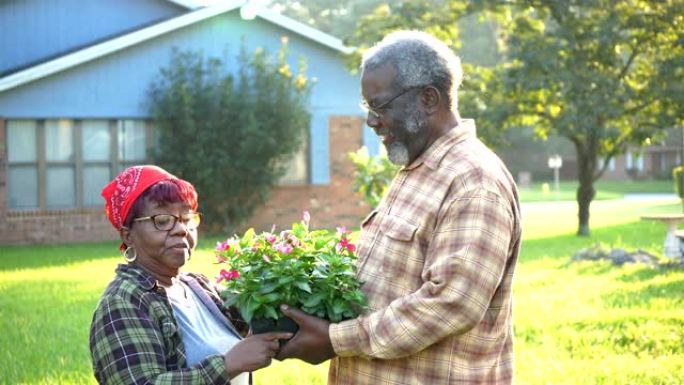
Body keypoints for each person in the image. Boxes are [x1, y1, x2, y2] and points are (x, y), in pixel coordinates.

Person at [276, 31, 522, 384]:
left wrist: (335, 339)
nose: (371, 121)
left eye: (380, 107)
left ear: (428, 99)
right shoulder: (418, 168)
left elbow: (451, 303)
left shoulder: (473, 182)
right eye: (367, 108)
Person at [90, 165, 291, 385]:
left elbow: (268, 316)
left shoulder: (198, 288)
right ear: (128, 236)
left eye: (186, 218)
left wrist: (288, 268)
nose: (181, 229)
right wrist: (227, 365)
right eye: (163, 220)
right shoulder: (123, 302)